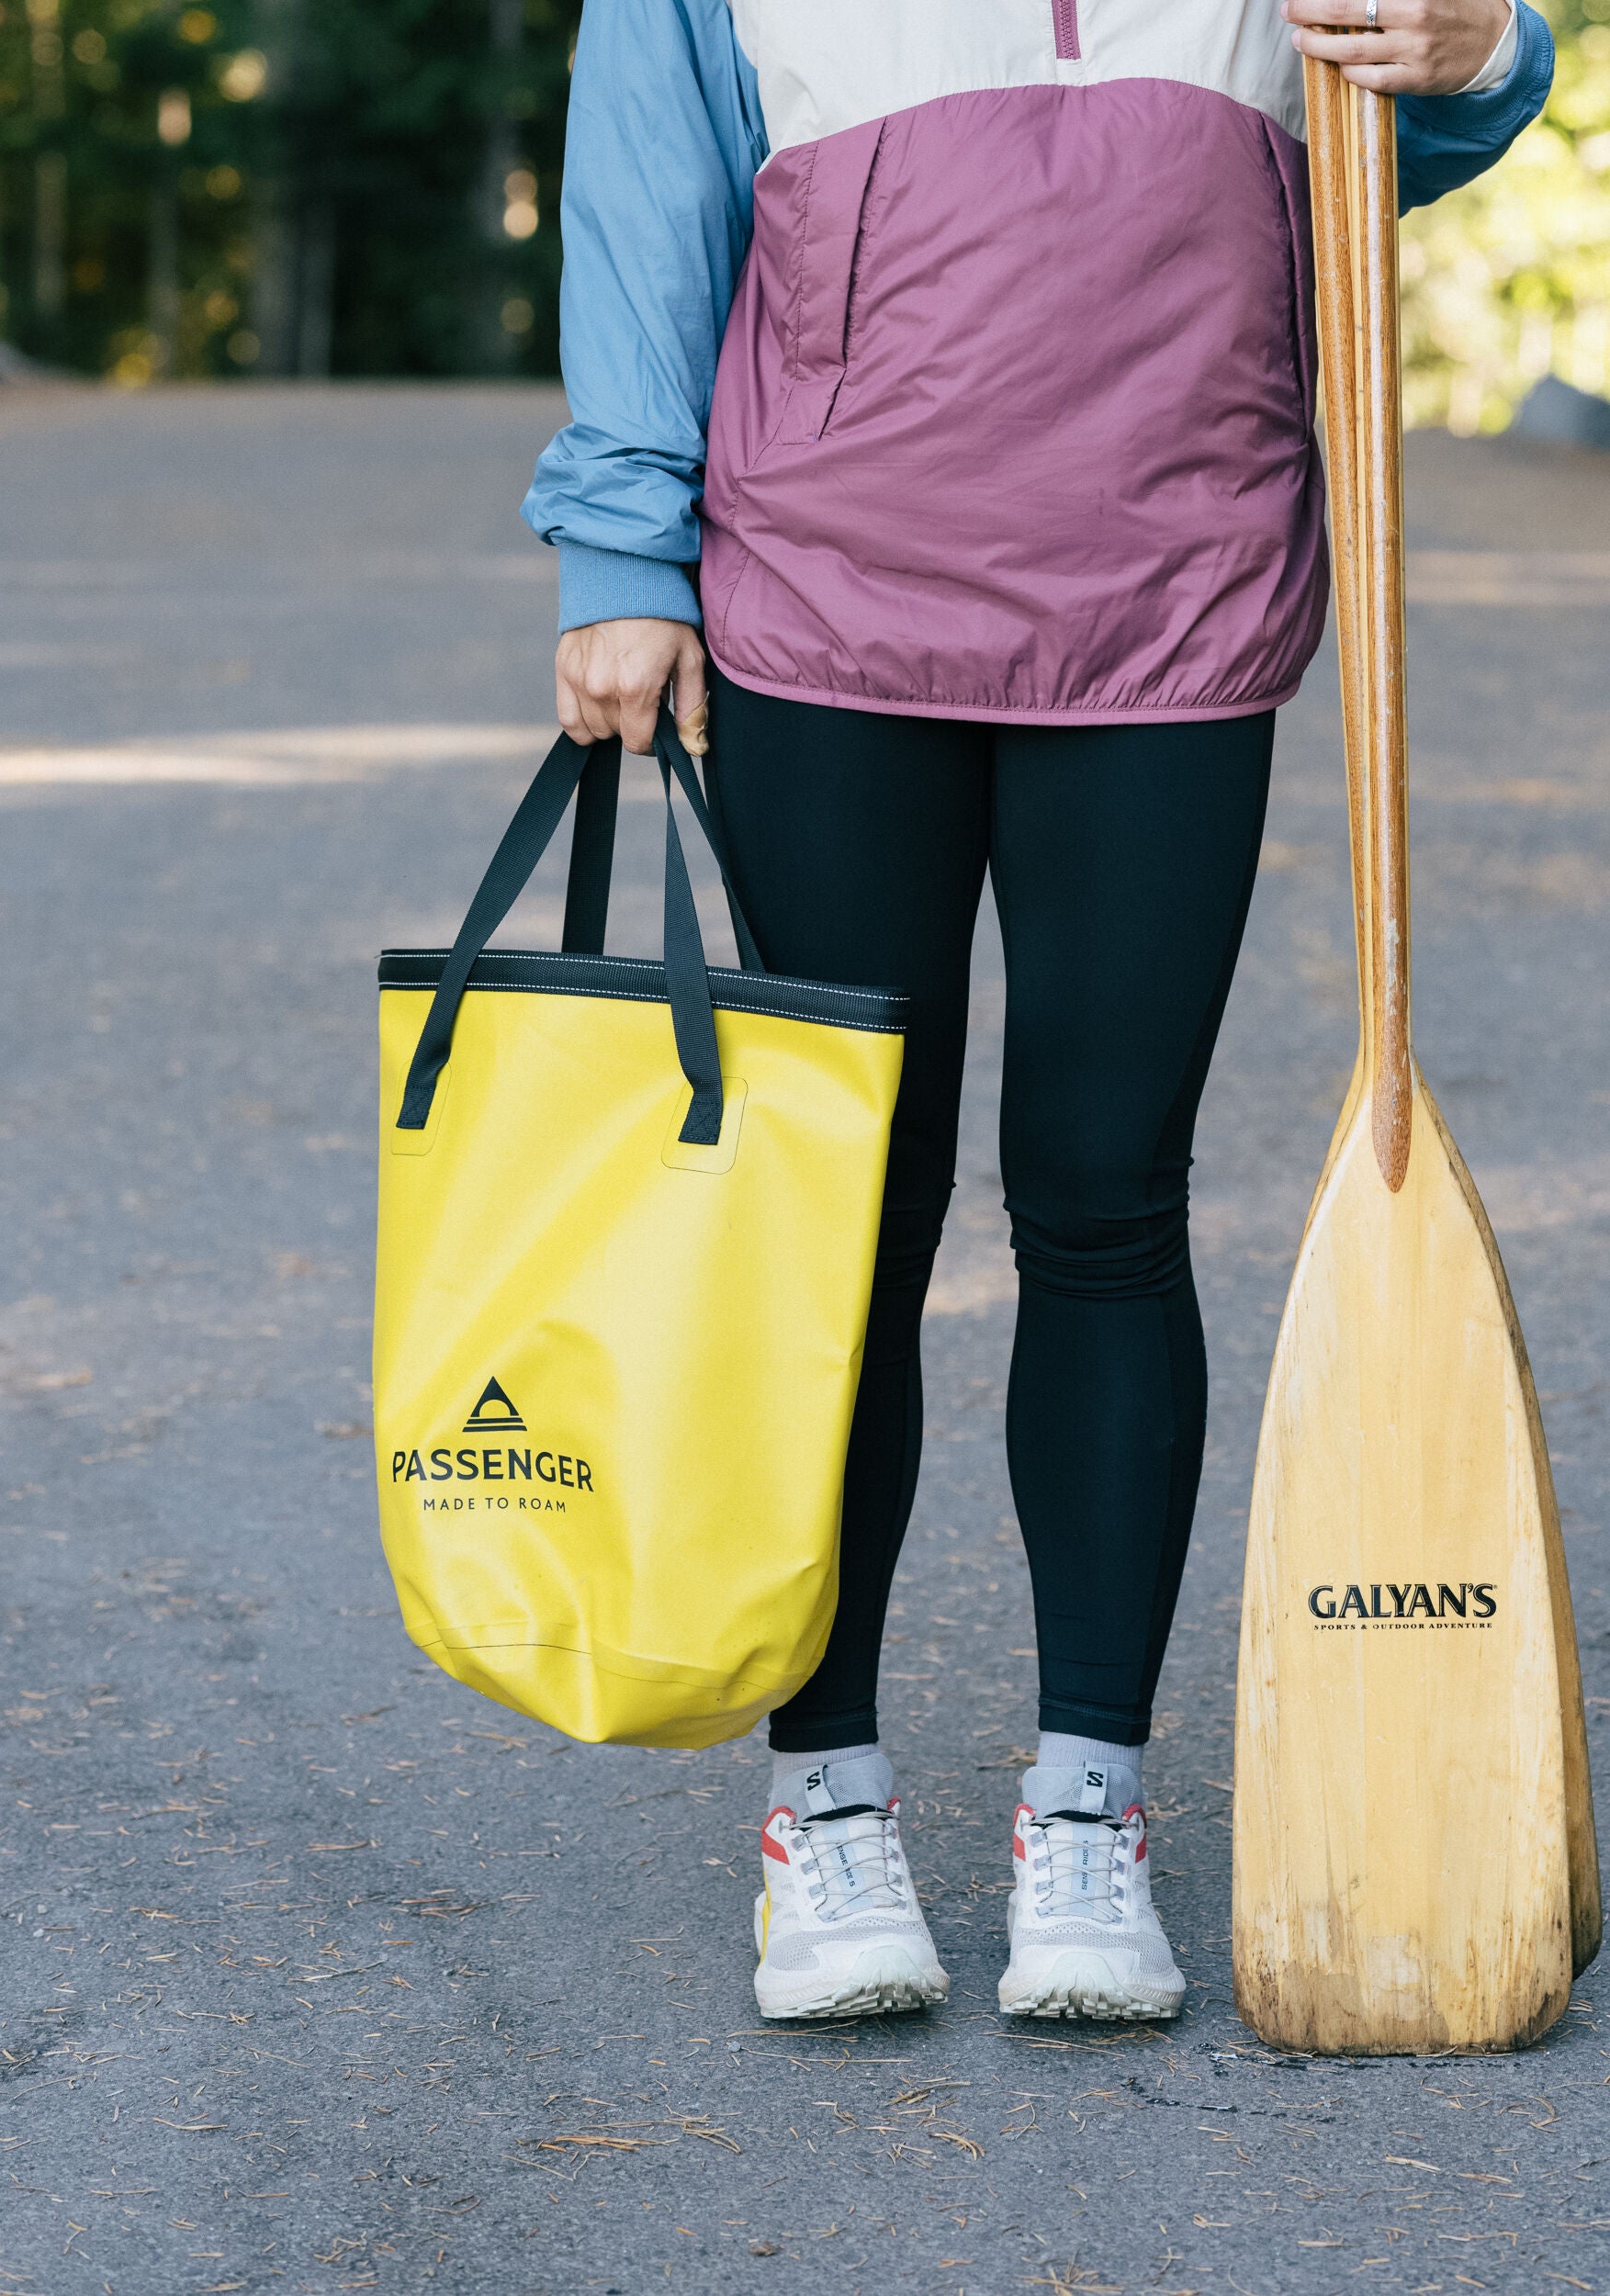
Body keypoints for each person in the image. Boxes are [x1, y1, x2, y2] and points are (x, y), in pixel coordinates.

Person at [522, 0, 1552, 2022]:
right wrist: (620, 543)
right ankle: (821, 1806)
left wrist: (1485, 47)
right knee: (842, 1235)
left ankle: (1089, 1808)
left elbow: (1397, 133)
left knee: (1104, 1199)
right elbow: (646, 193)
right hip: (821, 610)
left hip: (1175, 605)